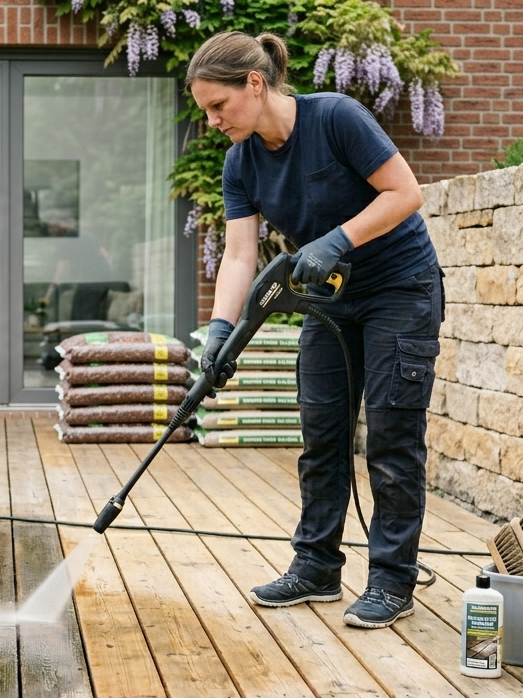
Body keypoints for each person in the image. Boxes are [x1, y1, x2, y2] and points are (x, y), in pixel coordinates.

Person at [188, 31, 443, 629]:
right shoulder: (241, 162)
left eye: (218, 106)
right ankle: (317, 566)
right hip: (328, 301)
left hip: (399, 288)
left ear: (255, 83)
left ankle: (392, 581)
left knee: (391, 435)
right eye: (206, 110)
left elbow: (405, 192)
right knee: (322, 434)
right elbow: (239, 255)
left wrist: (337, 238)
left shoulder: (335, 118)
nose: (213, 121)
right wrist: (221, 330)